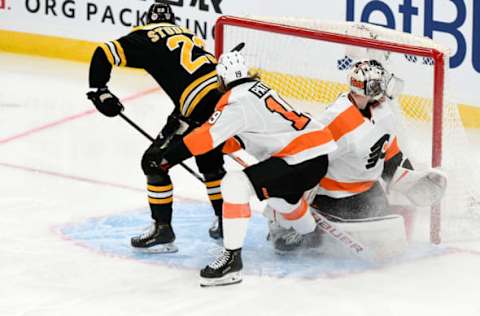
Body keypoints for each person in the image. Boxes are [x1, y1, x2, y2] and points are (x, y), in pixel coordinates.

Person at [152, 50, 338, 286]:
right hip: (316, 157)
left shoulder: (236, 101)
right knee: (281, 197)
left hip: (298, 160)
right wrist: (220, 142)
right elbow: (251, 134)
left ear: (221, 80)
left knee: (234, 184)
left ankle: (231, 261)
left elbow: (204, 138)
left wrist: (167, 158)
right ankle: (311, 234)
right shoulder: (259, 90)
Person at [86, 2, 227, 253]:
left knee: (154, 162)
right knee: (209, 156)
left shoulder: (145, 35)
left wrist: (99, 90)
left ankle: (163, 229)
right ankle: (226, 221)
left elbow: (104, 52)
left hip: (196, 105)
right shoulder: (190, 35)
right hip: (225, 98)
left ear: (148, 20)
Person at [267, 59, 447, 254]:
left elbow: (390, 154)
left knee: (389, 248)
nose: (386, 88)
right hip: (333, 198)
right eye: (381, 83)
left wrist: (410, 179)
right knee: (313, 249)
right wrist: (291, 209)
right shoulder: (336, 121)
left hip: (369, 191)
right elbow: (304, 161)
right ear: (371, 89)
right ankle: (290, 228)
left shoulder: (383, 111)